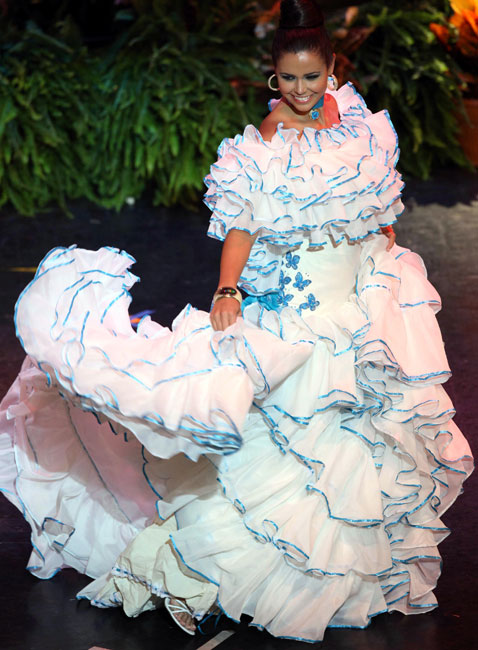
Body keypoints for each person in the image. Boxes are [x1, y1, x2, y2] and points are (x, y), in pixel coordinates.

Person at [0, 0, 473, 642]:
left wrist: (383, 251)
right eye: (289, 79)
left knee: (362, 448)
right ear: (273, 77)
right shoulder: (267, 141)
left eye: (311, 76)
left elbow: (371, 203)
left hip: (359, 303)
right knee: (288, 441)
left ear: (331, 68)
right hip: (301, 311)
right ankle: (253, 572)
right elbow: (243, 222)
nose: (300, 90)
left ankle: (352, 578)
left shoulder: (359, 122)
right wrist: (227, 287)